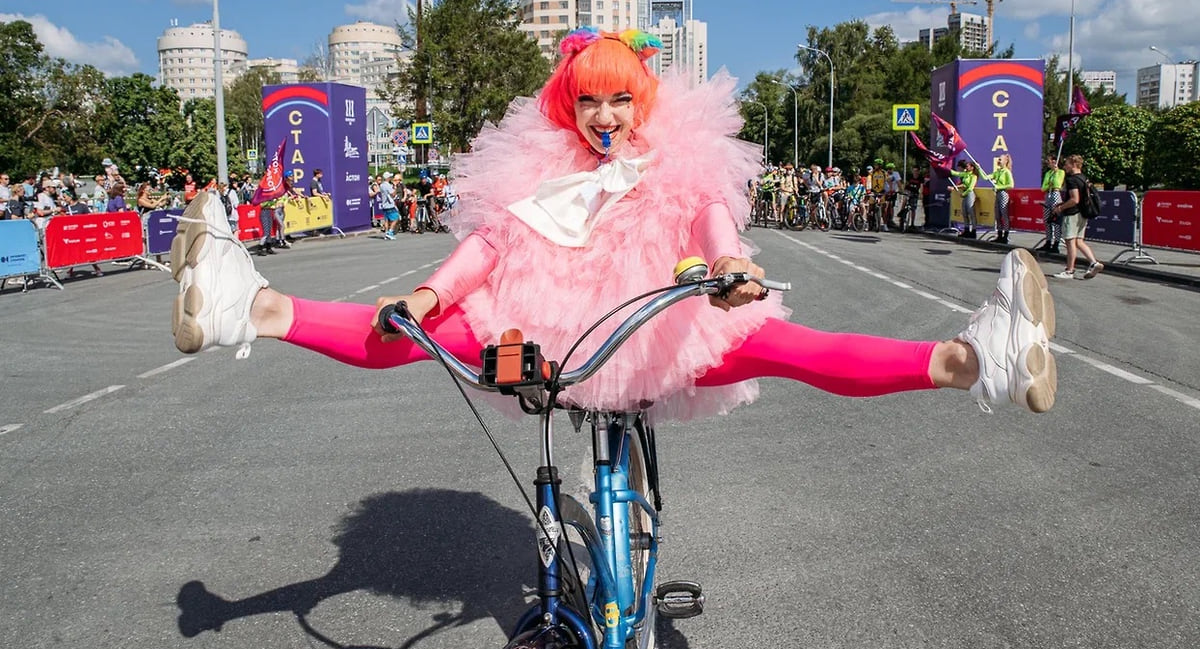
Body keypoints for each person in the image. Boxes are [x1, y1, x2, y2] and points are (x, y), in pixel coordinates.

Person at [168, 26, 1058, 417]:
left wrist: (728, 267)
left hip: (663, 318)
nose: (604, 116)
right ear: (570, 101)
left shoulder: (680, 148)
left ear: (642, 100)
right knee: (415, 334)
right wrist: (432, 291)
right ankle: (243, 305)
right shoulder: (536, 160)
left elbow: (709, 214)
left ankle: (977, 359)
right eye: (588, 99)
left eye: (619, 99)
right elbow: (491, 242)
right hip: (553, 324)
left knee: (791, 347)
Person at [1050, 154, 1103, 280]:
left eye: (1066, 164)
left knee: (1070, 242)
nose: (1064, 167)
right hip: (1082, 214)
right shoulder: (1084, 178)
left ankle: (1069, 270)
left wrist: (1061, 208)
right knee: (1079, 241)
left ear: (1073, 164)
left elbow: (1074, 199)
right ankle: (1094, 263)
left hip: (1072, 214)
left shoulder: (1072, 180)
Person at [949, 159, 981, 239]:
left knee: (971, 213)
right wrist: (946, 169)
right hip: (965, 195)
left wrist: (963, 194)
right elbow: (957, 173)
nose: (966, 168)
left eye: (968, 166)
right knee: (964, 213)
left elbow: (970, 188)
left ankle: (973, 231)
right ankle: (966, 230)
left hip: (969, 194)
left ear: (972, 167)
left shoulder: (974, 176)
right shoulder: (965, 174)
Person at [1040, 155, 1065, 253]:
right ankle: (1048, 241)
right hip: (1048, 195)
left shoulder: (1061, 172)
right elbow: (1043, 187)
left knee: (1056, 221)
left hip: (1055, 194)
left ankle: (1056, 243)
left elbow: (1057, 184)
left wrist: (1056, 173)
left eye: (1049, 161)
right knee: (1047, 220)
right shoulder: (1048, 173)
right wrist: (1048, 185)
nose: (1047, 162)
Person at [988, 154, 1015, 244]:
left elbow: (1011, 185)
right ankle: (999, 235)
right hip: (998, 194)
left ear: (1005, 161)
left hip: (1003, 194)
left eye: (1000, 159)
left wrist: (999, 187)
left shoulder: (1007, 172)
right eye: (998, 159)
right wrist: (979, 168)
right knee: (997, 216)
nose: (998, 161)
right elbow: (986, 177)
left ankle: (1005, 236)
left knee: (1004, 215)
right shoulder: (998, 172)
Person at [377, 171, 401, 240]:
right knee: (396, 218)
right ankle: (390, 232)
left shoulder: (381, 185)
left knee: (386, 220)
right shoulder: (387, 185)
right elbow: (393, 194)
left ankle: (386, 233)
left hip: (384, 205)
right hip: (389, 205)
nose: (391, 178)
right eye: (390, 177)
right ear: (387, 178)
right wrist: (395, 187)